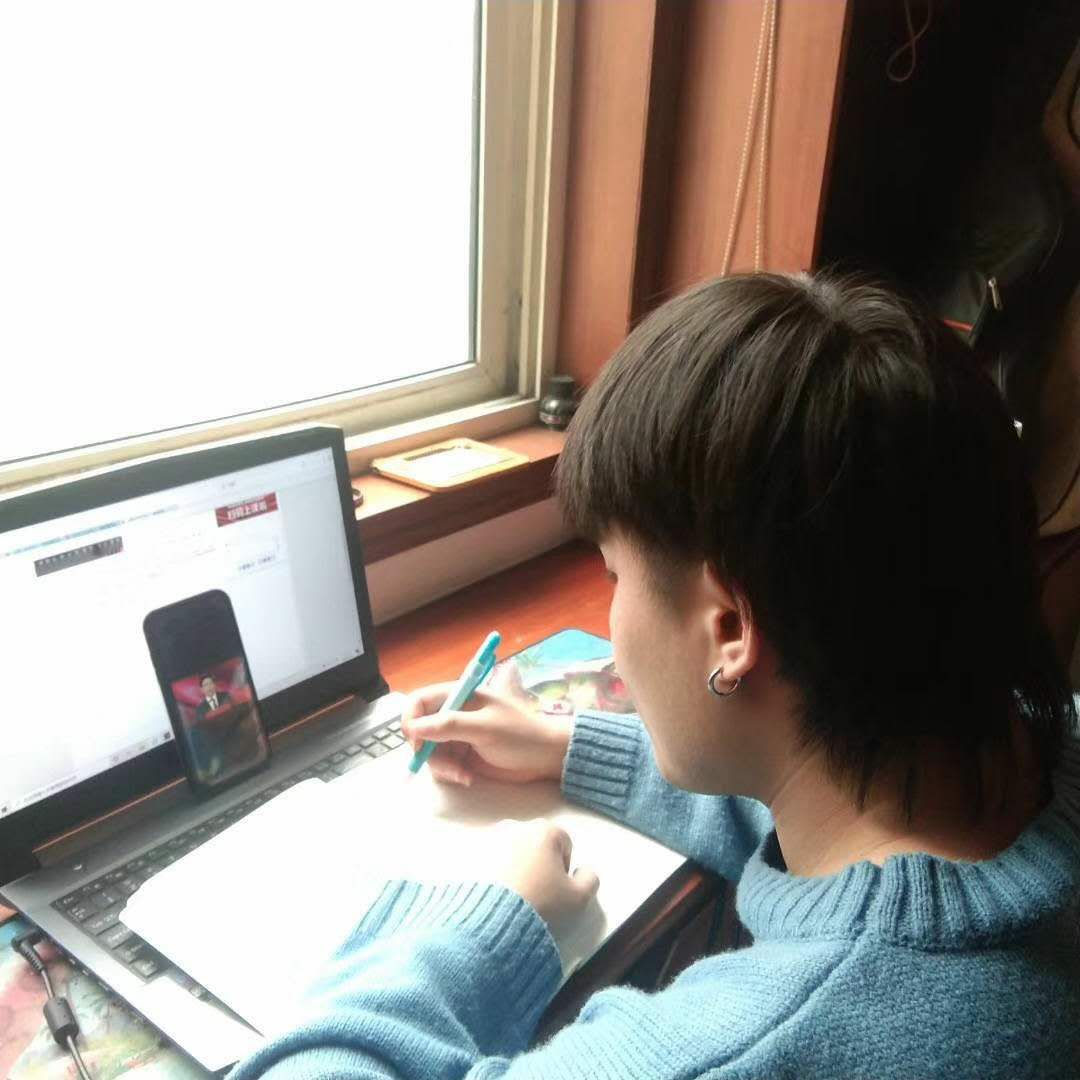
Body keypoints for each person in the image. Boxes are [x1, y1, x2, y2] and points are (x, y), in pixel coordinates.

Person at [230, 272, 1080, 1079]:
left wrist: (487, 931)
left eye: (612, 574)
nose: (611, 611)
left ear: (730, 628)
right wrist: (570, 748)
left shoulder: (738, 1050)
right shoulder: (1029, 750)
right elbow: (819, 792)